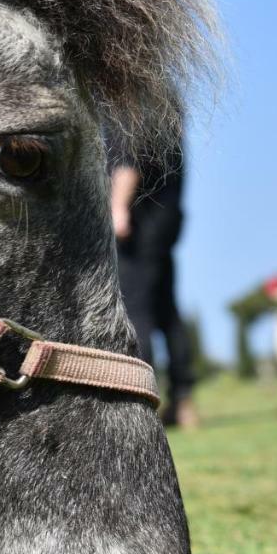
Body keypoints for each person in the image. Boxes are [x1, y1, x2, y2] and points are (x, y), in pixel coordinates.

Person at [109, 123, 199, 430]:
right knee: (167, 312)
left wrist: (118, 208)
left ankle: (143, 402)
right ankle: (183, 400)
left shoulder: (132, 103)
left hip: (138, 226)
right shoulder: (167, 105)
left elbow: (128, 159)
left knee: (137, 313)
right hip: (165, 225)